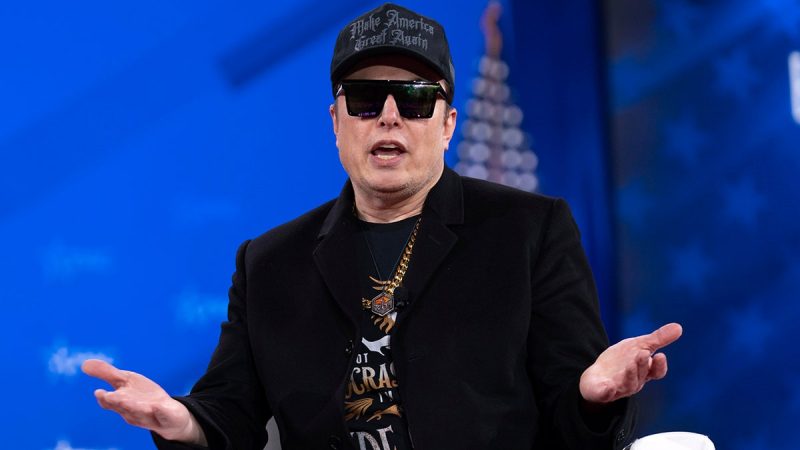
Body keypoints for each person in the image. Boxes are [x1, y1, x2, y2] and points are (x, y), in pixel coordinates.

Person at [82, 3, 682, 449]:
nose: (389, 116)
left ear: (448, 125)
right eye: (366, 99)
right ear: (336, 123)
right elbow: (230, 411)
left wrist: (592, 395)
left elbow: (572, 417)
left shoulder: (530, 231)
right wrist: (181, 420)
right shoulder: (268, 263)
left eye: (415, 98)